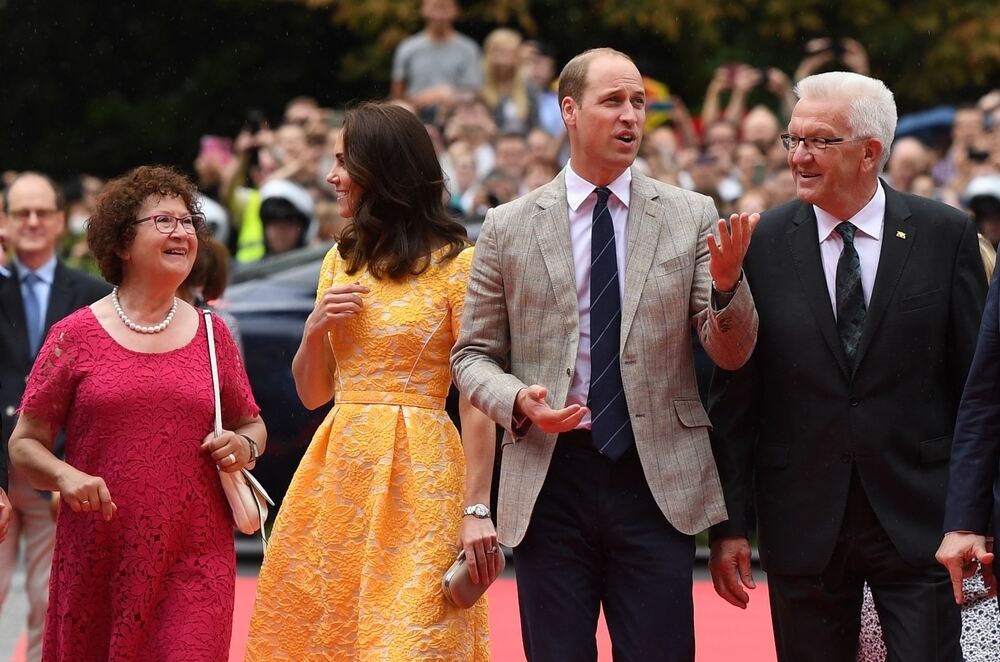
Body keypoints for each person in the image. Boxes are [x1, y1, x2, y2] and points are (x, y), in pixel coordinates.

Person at [450, 47, 759, 661]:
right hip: (549, 477)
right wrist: (519, 400)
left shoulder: (690, 214)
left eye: (639, 102)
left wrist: (728, 288)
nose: (630, 116)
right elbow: (471, 357)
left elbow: (731, 352)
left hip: (654, 480)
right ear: (569, 110)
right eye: (613, 101)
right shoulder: (509, 225)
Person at [708, 71, 987, 662]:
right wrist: (731, 523)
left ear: (869, 153)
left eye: (819, 141)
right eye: (793, 140)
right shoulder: (760, 242)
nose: (799, 156)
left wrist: (975, 515)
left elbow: (976, 391)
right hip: (802, 521)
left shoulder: (946, 235)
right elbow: (736, 396)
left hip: (922, 520)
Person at [246, 102, 497, 660]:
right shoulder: (340, 258)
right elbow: (313, 394)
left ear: (382, 169)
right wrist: (315, 330)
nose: (332, 177)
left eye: (344, 162)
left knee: (411, 639)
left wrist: (476, 508)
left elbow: (478, 400)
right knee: (328, 632)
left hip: (423, 473)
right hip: (339, 468)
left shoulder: (459, 264)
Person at [7, 165, 266, 661]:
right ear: (123, 244)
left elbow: (252, 424)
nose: (181, 231)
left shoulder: (214, 337)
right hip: (98, 560)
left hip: (196, 558)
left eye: (188, 221)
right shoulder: (73, 336)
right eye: (163, 220)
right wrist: (66, 476)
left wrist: (244, 445)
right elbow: (24, 443)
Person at [0, 172, 110, 662]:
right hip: (0, 469)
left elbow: (96, 392)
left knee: (52, 605)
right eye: (20, 212)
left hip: (58, 472)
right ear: (3, 221)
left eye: (41, 212)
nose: (31, 222)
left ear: (61, 220)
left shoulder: (91, 294)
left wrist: (68, 472)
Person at [390, 0, 483, 124]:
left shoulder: (468, 49)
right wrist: (422, 100)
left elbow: (474, 93)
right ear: (423, 10)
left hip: (457, 118)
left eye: (445, 8)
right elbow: (397, 94)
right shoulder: (407, 48)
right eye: (435, 8)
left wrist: (448, 96)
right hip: (415, 115)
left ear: (456, 11)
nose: (440, 15)